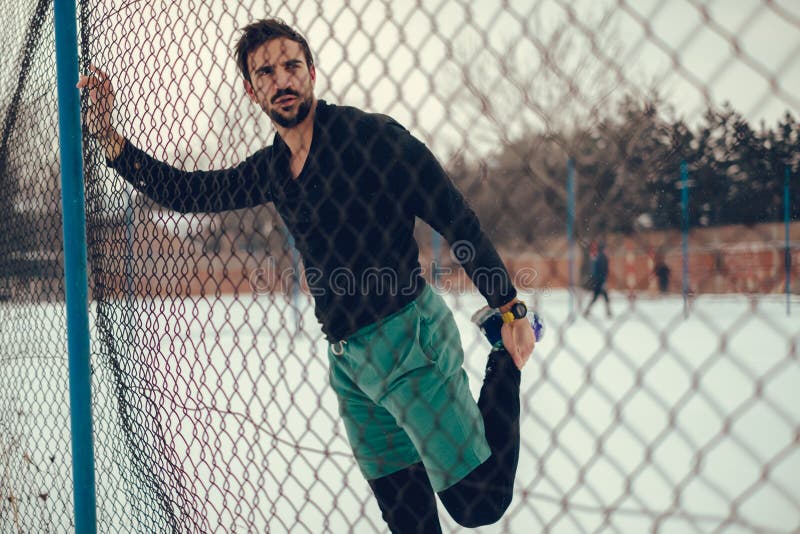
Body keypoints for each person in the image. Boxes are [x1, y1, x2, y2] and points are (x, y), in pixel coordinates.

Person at [77, 18, 536, 533]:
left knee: (478, 506)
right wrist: (111, 141)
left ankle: (502, 351)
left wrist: (509, 306)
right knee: (409, 521)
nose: (282, 79)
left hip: (409, 342)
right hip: (350, 366)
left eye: (292, 65)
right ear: (252, 92)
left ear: (312, 73)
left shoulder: (373, 138)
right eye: (266, 72)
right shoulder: (273, 168)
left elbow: (454, 216)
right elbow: (190, 193)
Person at [584, 242, 612, 317]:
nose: (607, 250)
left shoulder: (599, 257)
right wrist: (603, 281)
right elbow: (602, 270)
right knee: (601, 297)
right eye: (606, 249)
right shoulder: (602, 258)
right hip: (600, 281)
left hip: (598, 281)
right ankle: (608, 312)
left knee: (599, 297)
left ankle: (588, 311)